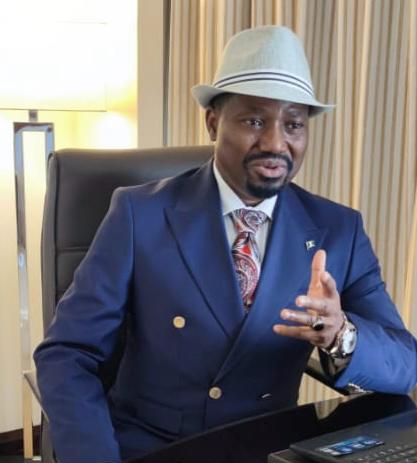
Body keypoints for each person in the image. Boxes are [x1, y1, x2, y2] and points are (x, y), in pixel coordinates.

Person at [34, 26, 417, 463]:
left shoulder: (337, 229)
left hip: (268, 449)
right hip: (156, 448)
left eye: (293, 124)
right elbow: (68, 353)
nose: (276, 143)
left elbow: (405, 363)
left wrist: (340, 334)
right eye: (254, 121)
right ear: (213, 122)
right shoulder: (139, 214)